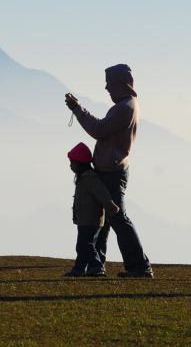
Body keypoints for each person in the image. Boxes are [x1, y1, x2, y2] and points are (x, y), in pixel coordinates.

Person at [64, 64, 153, 278]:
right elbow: (103, 126)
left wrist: (78, 109)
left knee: (117, 217)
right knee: (104, 220)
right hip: (113, 169)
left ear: (118, 83)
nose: (106, 87)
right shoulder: (128, 105)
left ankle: (140, 266)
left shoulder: (124, 108)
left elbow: (97, 130)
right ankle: (96, 265)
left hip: (112, 173)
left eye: (108, 83)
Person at [63, 143, 120, 277]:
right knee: (84, 245)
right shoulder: (84, 178)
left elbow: (102, 193)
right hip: (85, 219)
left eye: (72, 162)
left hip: (91, 219)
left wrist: (111, 208)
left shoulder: (89, 177)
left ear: (81, 163)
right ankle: (79, 269)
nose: (70, 165)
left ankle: (97, 267)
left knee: (84, 245)